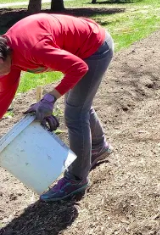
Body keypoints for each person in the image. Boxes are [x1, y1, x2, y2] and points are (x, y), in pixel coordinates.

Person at [0, 14, 114, 202]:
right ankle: (98, 147)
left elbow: (78, 68)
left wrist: (49, 99)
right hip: (78, 49)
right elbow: (4, 95)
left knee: (76, 113)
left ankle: (76, 180)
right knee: (78, 104)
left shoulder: (32, 48)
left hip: (95, 47)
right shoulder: (7, 57)